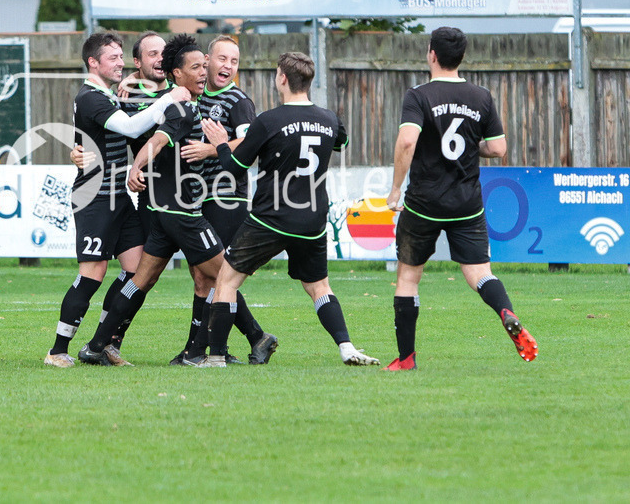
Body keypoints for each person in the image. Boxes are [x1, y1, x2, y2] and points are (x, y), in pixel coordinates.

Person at [198, 51, 380, 368]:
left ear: (282, 78)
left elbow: (234, 167)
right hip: (312, 219)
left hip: (271, 218)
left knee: (225, 281)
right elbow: (342, 142)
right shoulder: (330, 119)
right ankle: (347, 347)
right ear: (308, 81)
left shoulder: (268, 121)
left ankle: (214, 358)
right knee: (319, 287)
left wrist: (221, 142)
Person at [383, 27, 537, 370]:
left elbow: (408, 142)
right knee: (480, 273)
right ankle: (504, 310)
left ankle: (406, 358)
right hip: (466, 202)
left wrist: (395, 190)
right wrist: (472, 146)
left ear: (431, 54)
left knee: (408, 276)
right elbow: (497, 148)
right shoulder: (480, 96)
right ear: (461, 57)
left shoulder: (418, 95)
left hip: (423, 202)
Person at [78, 34, 226, 366]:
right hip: (179, 211)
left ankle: (97, 344)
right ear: (176, 72)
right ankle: (205, 350)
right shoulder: (176, 107)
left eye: (205, 65)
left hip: (161, 210)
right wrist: (136, 166)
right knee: (224, 275)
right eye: (196, 67)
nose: (204, 72)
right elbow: (156, 140)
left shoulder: (153, 98)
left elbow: (142, 108)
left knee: (143, 279)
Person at [44, 32, 189, 367]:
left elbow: (143, 87)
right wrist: (169, 100)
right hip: (94, 196)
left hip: (119, 197)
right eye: (112, 57)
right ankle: (57, 350)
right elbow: (131, 127)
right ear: (93, 62)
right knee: (92, 274)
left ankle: (104, 343)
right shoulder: (92, 97)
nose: (120, 62)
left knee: (136, 270)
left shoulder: (107, 94)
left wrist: (140, 83)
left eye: (122, 56)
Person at [172, 35, 275, 365]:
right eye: (222, 59)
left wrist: (212, 148)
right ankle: (238, 341)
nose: (228, 66)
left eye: (234, 61)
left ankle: (201, 349)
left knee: (216, 274)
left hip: (227, 195)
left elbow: (249, 141)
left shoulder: (238, 100)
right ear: (207, 59)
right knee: (204, 275)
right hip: (199, 196)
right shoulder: (196, 96)